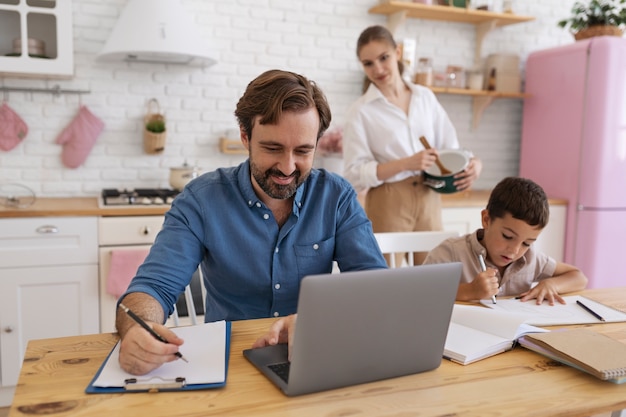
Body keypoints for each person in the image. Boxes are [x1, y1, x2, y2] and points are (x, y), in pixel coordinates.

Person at [115, 69, 387, 375]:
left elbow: (375, 288)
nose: (287, 167)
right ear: (245, 136)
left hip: (312, 358)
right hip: (227, 362)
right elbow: (152, 288)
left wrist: (321, 320)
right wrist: (139, 329)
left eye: (302, 151)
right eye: (273, 148)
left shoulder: (336, 197)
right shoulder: (201, 200)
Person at [342, 25, 483, 266]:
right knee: (387, 280)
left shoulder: (425, 97)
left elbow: (452, 148)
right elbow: (354, 173)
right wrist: (406, 163)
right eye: (368, 63)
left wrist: (474, 164)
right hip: (388, 200)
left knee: (433, 275)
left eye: (383, 57)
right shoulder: (360, 111)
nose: (378, 69)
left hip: (429, 197)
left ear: (397, 52)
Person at [423, 176, 588, 305]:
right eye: (507, 237)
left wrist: (551, 285)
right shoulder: (450, 253)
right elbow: (421, 294)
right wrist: (469, 291)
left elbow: (578, 277)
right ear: (487, 220)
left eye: (527, 243)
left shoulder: (531, 259)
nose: (515, 250)